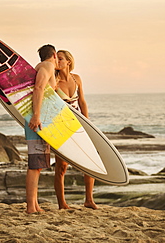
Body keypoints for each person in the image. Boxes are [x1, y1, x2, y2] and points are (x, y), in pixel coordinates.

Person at [54, 50, 98, 210]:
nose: (57, 61)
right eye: (55, 59)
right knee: (61, 166)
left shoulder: (76, 79)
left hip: (78, 125)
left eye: (60, 59)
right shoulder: (54, 82)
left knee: (89, 161)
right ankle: (62, 203)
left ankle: (89, 200)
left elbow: (82, 102)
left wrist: (88, 124)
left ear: (68, 62)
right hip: (60, 127)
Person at [25, 44, 58, 214]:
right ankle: (31, 207)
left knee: (37, 164)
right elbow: (38, 88)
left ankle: (35, 204)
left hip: (40, 121)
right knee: (34, 164)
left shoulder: (43, 66)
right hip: (37, 122)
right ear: (53, 54)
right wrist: (36, 116)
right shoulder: (48, 66)